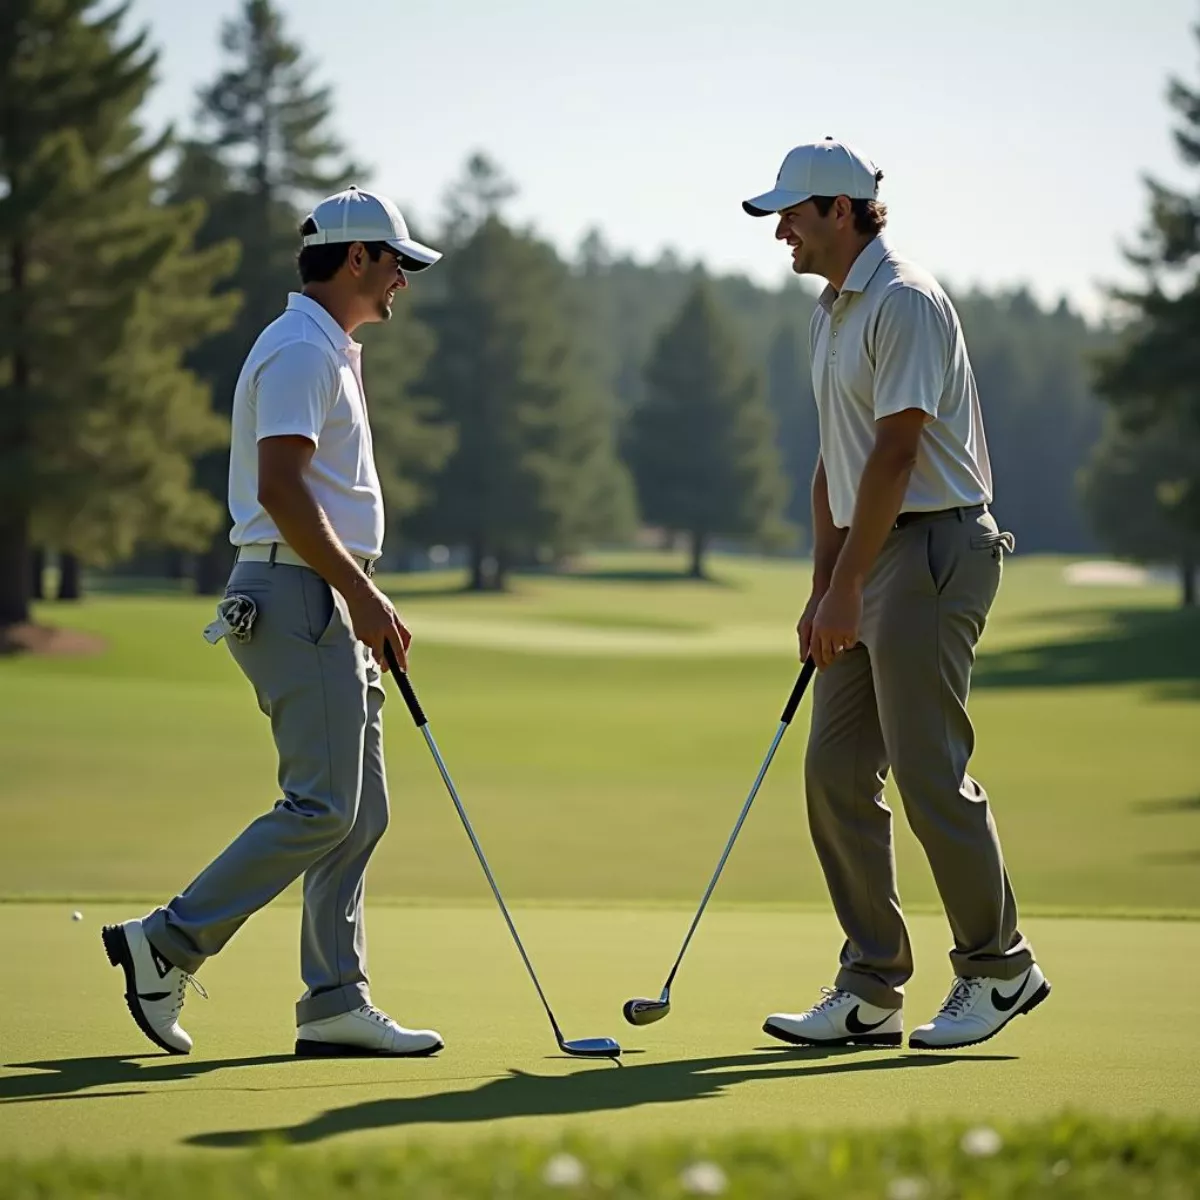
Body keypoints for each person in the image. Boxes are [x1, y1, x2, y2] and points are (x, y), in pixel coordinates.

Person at [102, 186, 446, 1058]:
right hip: (300, 592)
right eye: (396, 262)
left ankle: (333, 1000)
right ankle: (168, 941)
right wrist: (360, 594)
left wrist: (357, 591)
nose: (404, 279)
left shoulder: (328, 347)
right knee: (323, 804)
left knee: (358, 812)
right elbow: (282, 490)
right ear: (358, 259)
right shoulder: (300, 348)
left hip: (321, 590)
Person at [742, 139, 1050, 1050]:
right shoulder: (831, 312)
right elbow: (834, 463)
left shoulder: (906, 301)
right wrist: (821, 588)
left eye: (792, 215)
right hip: (869, 559)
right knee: (834, 772)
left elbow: (897, 452)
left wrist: (848, 582)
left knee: (926, 771)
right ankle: (872, 985)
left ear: (842, 209)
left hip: (932, 550)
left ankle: (999, 969)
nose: (781, 232)